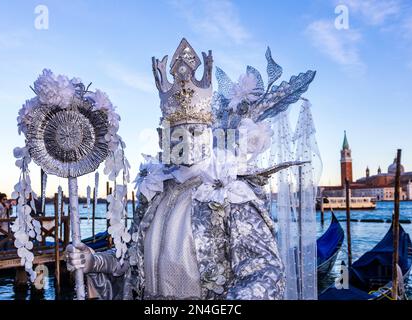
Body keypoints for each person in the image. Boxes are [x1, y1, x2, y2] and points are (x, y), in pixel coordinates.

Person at [66, 39, 285, 300]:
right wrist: (95, 262)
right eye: (174, 133)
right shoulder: (155, 192)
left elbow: (264, 271)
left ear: (209, 132)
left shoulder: (231, 193)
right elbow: (135, 262)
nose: (185, 140)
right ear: (162, 138)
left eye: (194, 130)